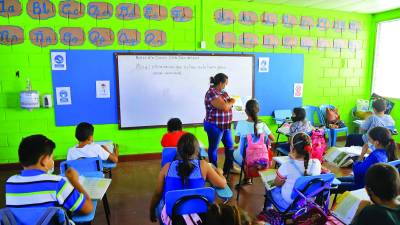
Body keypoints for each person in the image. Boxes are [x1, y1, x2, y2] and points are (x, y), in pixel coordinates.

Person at [149, 133, 227, 224]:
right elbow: (222, 184)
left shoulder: (166, 168)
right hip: (197, 217)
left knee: (161, 204)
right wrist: (220, 173)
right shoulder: (203, 166)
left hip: (172, 218)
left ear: (178, 150)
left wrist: (151, 211)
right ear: (197, 151)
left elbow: (157, 194)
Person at [5, 135, 93, 214]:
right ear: (44, 160)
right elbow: (88, 208)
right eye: (52, 157)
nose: (52, 161)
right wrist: (74, 181)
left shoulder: (10, 182)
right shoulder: (56, 183)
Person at [337, 126, 398, 192]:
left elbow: (357, 171)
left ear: (376, 142)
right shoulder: (387, 152)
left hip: (363, 187)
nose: (368, 142)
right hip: (372, 184)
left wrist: (362, 154)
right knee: (340, 179)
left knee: (331, 185)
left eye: (369, 140)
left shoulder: (374, 156)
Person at [273, 132, 321, 204]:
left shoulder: (287, 165)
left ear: (292, 149)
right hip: (308, 199)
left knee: (272, 189)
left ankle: (269, 209)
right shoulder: (317, 163)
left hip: (291, 200)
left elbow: (277, 183)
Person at [234, 99, 275, 185]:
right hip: (261, 155)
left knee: (233, 153)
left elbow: (236, 141)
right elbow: (273, 139)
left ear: (245, 111)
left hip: (245, 156)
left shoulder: (240, 123)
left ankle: (247, 174)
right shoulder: (262, 124)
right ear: (258, 110)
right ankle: (255, 168)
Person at [204, 73, 236, 176]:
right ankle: (214, 172)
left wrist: (230, 102)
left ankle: (228, 169)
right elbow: (225, 107)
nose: (226, 85)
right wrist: (233, 101)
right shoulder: (211, 93)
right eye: (225, 83)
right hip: (215, 126)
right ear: (220, 83)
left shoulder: (222, 92)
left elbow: (228, 103)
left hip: (226, 126)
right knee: (214, 149)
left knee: (230, 146)